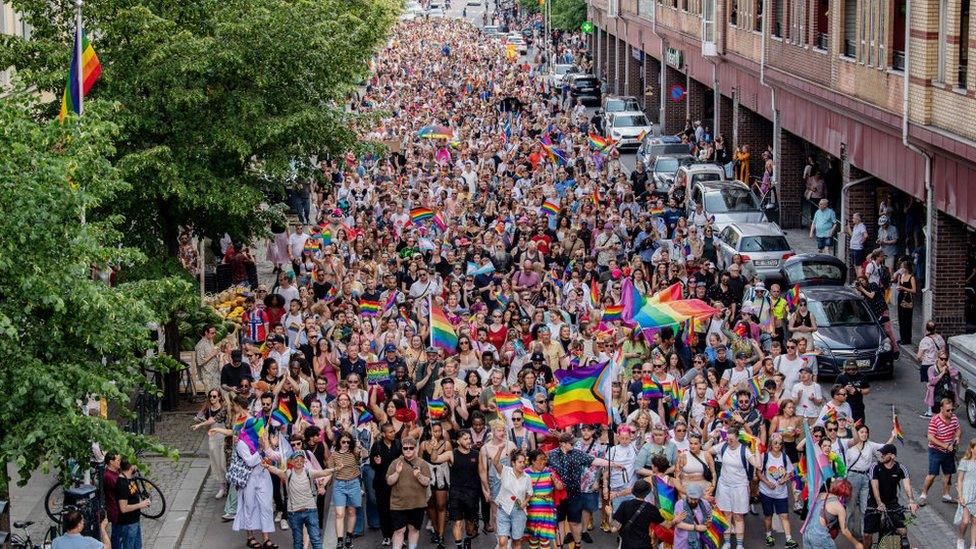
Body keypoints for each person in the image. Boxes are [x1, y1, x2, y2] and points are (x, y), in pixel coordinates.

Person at [263, 451, 334, 549]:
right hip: (294, 513)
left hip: (310, 511)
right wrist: (267, 466)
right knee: (297, 541)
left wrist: (336, 469)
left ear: (304, 461)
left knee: (316, 540)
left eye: (301, 460)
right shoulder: (288, 474)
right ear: (292, 462)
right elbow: (276, 471)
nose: (299, 462)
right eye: (296, 460)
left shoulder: (309, 472)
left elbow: (323, 472)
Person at [864, 444, 919, 548]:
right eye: (881, 453)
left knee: (902, 530)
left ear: (893, 456)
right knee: (867, 534)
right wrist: (879, 503)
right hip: (874, 502)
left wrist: (911, 501)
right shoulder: (874, 466)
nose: (881, 456)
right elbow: (874, 486)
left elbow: (907, 486)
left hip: (892, 502)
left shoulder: (901, 468)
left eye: (884, 454)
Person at [386, 437, 433, 549]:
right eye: (405, 448)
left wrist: (419, 476)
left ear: (415, 448)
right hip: (398, 504)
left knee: (414, 529)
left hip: (417, 504)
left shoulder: (422, 463)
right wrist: (397, 473)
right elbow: (389, 481)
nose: (408, 450)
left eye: (411, 448)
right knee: (399, 530)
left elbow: (426, 482)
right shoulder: (395, 463)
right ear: (402, 449)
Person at [920, 397, 963, 506]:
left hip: (949, 451)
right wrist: (945, 445)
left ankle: (946, 495)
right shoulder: (935, 420)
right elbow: (930, 437)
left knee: (948, 474)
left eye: (952, 410)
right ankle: (923, 495)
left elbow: (958, 429)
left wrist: (957, 437)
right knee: (932, 474)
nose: (951, 412)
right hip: (936, 451)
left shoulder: (953, 418)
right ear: (941, 409)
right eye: (948, 410)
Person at [758, 434, 797, 548]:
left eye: (780, 443)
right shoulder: (764, 456)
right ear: (770, 444)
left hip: (781, 493)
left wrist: (785, 479)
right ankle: (768, 535)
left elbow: (791, 472)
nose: (778, 445)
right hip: (766, 491)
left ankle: (789, 539)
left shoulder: (785, 457)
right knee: (768, 515)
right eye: (775, 443)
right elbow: (759, 472)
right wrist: (767, 482)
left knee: (784, 515)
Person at [610, 479, 673, 549]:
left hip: (627, 545)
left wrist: (610, 514)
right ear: (647, 493)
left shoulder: (625, 504)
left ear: (633, 491)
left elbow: (614, 529)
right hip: (644, 544)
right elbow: (667, 525)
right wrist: (676, 520)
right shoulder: (651, 508)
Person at [491, 447, 533, 549]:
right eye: (519, 462)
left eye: (524, 462)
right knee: (502, 541)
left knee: (517, 541)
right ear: (513, 463)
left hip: (519, 511)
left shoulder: (527, 477)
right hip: (503, 509)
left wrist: (525, 501)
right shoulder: (505, 471)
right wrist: (500, 449)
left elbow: (530, 493)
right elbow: (495, 463)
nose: (523, 464)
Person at [803, 479, 863, 549]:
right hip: (820, 536)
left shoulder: (820, 495)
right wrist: (856, 543)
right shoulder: (839, 508)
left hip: (807, 533)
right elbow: (844, 530)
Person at [328, 431, 363, 549]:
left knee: (352, 512)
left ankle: (349, 536)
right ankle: (339, 540)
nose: (346, 444)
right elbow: (330, 471)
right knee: (339, 513)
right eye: (343, 442)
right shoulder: (334, 455)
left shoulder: (354, 452)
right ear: (339, 442)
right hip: (339, 485)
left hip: (353, 484)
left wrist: (360, 448)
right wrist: (323, 483)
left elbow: (364, 455)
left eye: (348, 442)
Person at [115, 460, 151, 549]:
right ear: (131, 467)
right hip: (128, 523)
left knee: (137, 546)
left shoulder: (130, 478)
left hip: (134, 520)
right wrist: (141, 504)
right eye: (135, 464)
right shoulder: (122, 483)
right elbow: (123, 508)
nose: (137, 466)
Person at [955, 439, 976, 549]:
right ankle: (961, 539)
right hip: (967, 493)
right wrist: (960, 495)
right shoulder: (965, 461)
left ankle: (973, 545)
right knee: (965, 521)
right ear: (972, 449)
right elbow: (960, 480)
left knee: (975, 521)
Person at [916, 320, 946, 387]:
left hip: (927, 365)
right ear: (935, 328)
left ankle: (930, 396)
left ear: (926, 329)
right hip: (938, 365)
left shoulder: (924, 341)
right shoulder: (940, 338)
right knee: (938, 383)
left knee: (930, 385)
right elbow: (943, 351)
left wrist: (922, 360)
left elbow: (918, 356)